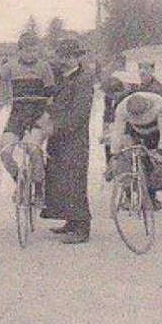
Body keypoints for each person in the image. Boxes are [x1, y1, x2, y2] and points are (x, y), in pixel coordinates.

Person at [42, 38, 96, 243]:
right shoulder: (65, 77)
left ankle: (82, 228)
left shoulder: (84, 78)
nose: (64, 60)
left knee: (75, 181)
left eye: (68, 57)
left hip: (74, 139)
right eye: (61, 56)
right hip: (60, 138)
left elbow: (80, 113)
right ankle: (71, 222)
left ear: (77, 57)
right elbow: (58, 104)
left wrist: (56, 127)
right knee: (62, 181)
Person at [0, 30, 56, 183]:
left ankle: (37, 186)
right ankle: (19, 181)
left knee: (34, 150)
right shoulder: (10, 66)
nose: (32, 54)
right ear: (20, 50)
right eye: (28, 51)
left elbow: (51, 95)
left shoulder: (44, 67)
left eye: (35, 50)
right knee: (4, 152)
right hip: (17, 115)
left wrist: (46, 116)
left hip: (38, 114)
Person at [106, 84, 162, 206]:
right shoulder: (121, 108)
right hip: (136, 132)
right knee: (134, 160)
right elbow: (117, 133)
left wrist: (160, 151)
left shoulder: (159, 103)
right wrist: (114, 154)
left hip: (157, 132)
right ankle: (138, 195)